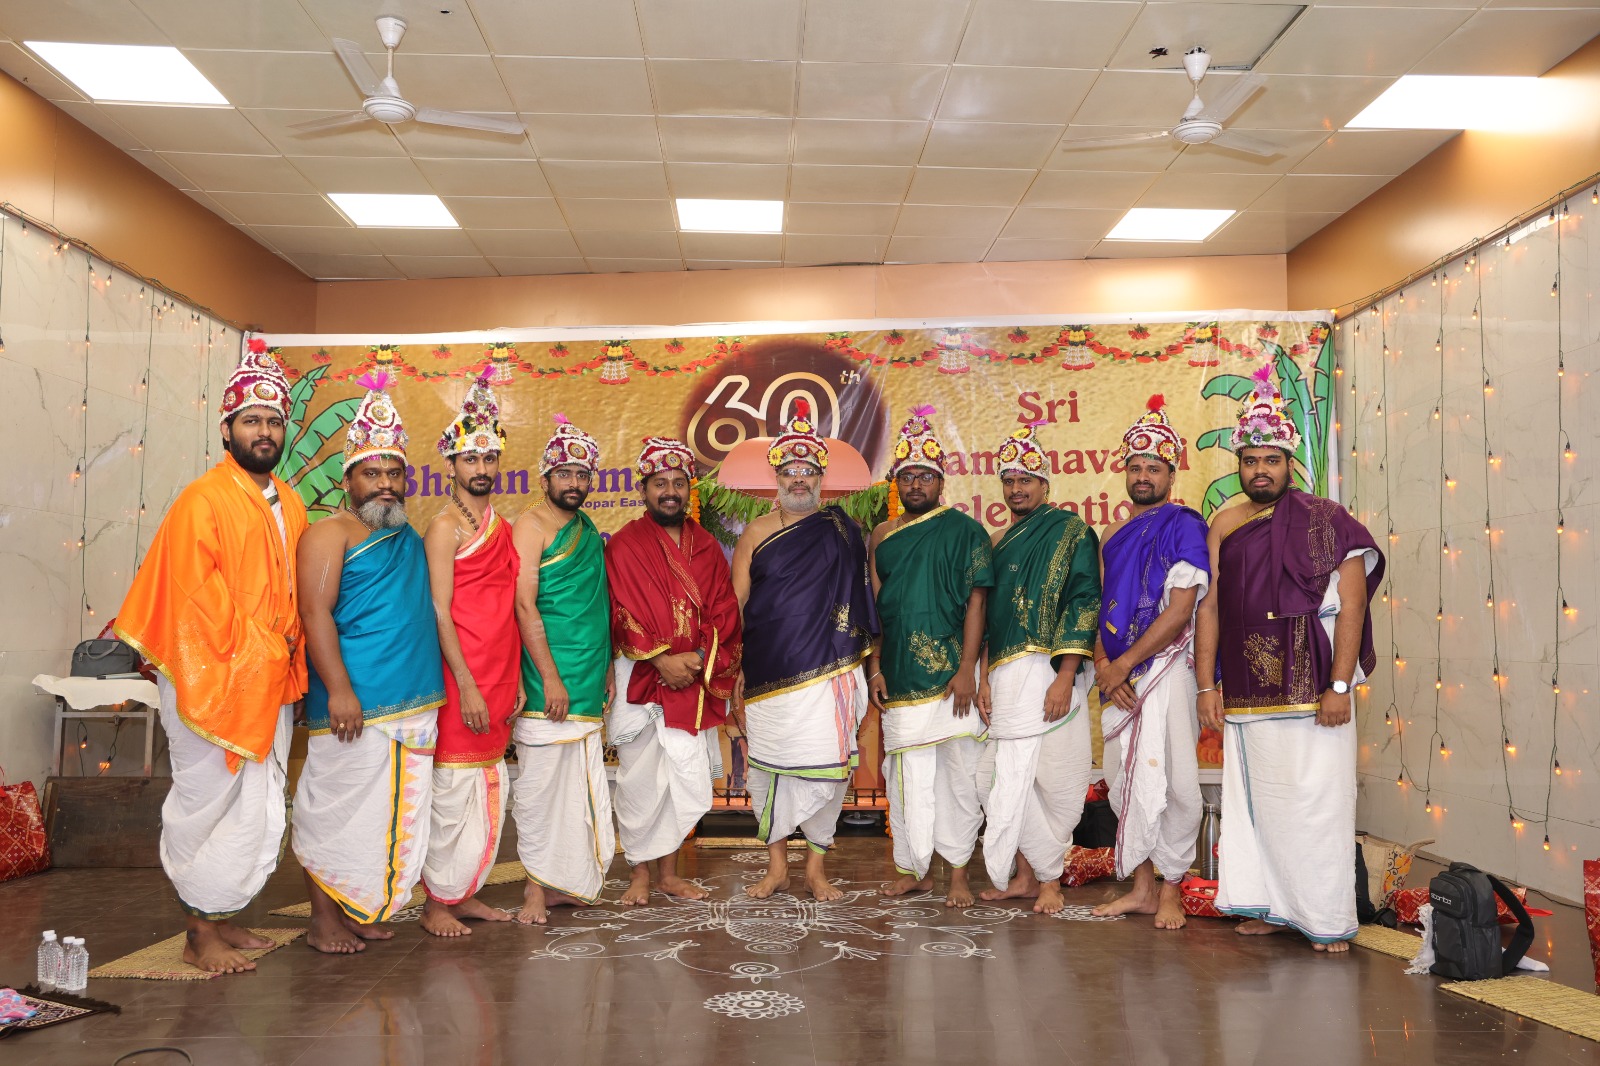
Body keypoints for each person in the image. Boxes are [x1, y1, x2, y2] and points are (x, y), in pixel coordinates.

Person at [115, 340, 307, 974]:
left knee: (255, 799)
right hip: (211, 676)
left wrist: (284, 653)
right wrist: (265, 647)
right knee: (208, 800)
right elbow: (194, 598)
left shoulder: (291, 502)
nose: (264, 431)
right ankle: (199, 933)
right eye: (251, 420)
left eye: (273, 421)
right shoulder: (203, 499)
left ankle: (222, 915)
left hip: (266, 676)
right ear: (227, 429)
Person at [1194, 365, 1383, 952]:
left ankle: (1323, 917)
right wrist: (1205, 685)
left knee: (1318, 806)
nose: (1260, 470)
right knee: (1260, 807)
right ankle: (1275, 908)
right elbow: (1209, 607)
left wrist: (1340, 686)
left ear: (1289, 463)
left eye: (1271, 460)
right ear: (1238, 464)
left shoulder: (1327, 520)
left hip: (1314, 689)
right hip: (1246, 693)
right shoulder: (1224, 524)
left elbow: (1351, 606)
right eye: (1250, 460)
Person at [294, 371, 445, 954]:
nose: (385, 484)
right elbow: (314, 613)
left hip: (414, 699)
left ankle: (358, 909)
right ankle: (323, 920)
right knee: (335, 812)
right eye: (372, 473)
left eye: (394, 473)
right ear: (348, 478)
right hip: (354, 702)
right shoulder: (328, 533)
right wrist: (339, 689)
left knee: (384, 818)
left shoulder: (408, 536)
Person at [731, 401, 877, 902]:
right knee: (768, 769)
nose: (799, 479)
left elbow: (860, 603)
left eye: (808, 471)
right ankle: (777, 868)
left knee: (828, 772)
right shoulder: (755, 533)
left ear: (820, 478)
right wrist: (734, 668)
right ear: (777, 478)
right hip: (768, 673)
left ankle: (815, 870)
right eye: (790, 472)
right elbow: (737, 604)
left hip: (829, 669)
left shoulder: (844, 532)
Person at [607, 437, 743, 905]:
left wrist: (697, 659)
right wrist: (660, 659)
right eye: (660, 483)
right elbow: (618, 610)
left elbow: (725, 610)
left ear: (689, 489)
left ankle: (668, 874)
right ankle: (639, 874)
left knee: (677, 782)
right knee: (640, 779)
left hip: (693, 680)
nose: (670, 492)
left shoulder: (705, 545)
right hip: (643, 676)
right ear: (643, 489)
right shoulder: (625, 544)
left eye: (678, 483)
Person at [1090, 396, 1210, 929]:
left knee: (1176, 782)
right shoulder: (1110, 535)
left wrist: (1124, 666)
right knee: (1124, 781)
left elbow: (1182, 609)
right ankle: (1141, 888)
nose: (1143, 476)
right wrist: (1104, 664)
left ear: (1171, 473)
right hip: (1118, 676)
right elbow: (1100, 608)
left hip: (1166, 670)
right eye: (1135, 467)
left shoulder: (1185, 524)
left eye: (1153, 468)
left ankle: (1170, 891)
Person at [866, 406, 993, 908]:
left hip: (951, 676)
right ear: (896, 482)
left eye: (925, 476)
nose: (915, 484)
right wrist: (875, 666)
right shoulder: (882, 536)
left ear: (941, 481)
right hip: (899, 673)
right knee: (905, 780)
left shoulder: (965, 531)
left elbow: (977, 603)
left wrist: (967, 669)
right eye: (907, 476)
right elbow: (878, 610)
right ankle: (914, 869)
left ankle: (958, 874)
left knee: (958, 779)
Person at [977, 422, 1100, 915]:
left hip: (1051, 670)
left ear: (1045, 483)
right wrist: (984, 677)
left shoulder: (1071, 531)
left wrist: (1065, 677)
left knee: (1054, 780)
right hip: (1005, 676)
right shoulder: (997, 541)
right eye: (1009, 481)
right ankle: (1030, 877)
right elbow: (987, 620)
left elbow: (1084, 601)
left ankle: (1048, 879)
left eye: (1025, 479)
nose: (1016, 489)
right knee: (995, 777)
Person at [418, 375, 522, 937]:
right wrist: (467, 683)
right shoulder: (444, 528)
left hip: (501, 674)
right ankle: (437, 902)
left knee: (487, 787)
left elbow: (508, 607)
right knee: (453, 791)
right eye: (470, 458)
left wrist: (517, 679)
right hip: (462, 677)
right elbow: (439, 612)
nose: (480, 467)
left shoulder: (501, 527)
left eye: (488, 457)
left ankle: (465, 893)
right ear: (451, 464)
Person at [511, 414, 615, 925]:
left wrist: (608, 666)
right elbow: (524, 605)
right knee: (540, 789)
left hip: (589, 672)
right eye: (564, 473)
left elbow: (599, 605)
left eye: (581, 474)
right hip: (546, 676)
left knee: (576, 788)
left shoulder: (586, 528)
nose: (573, 482)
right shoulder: (530, 526)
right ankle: (533, 889)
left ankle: (564, 882)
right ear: (545, 477)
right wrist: (550, 677)